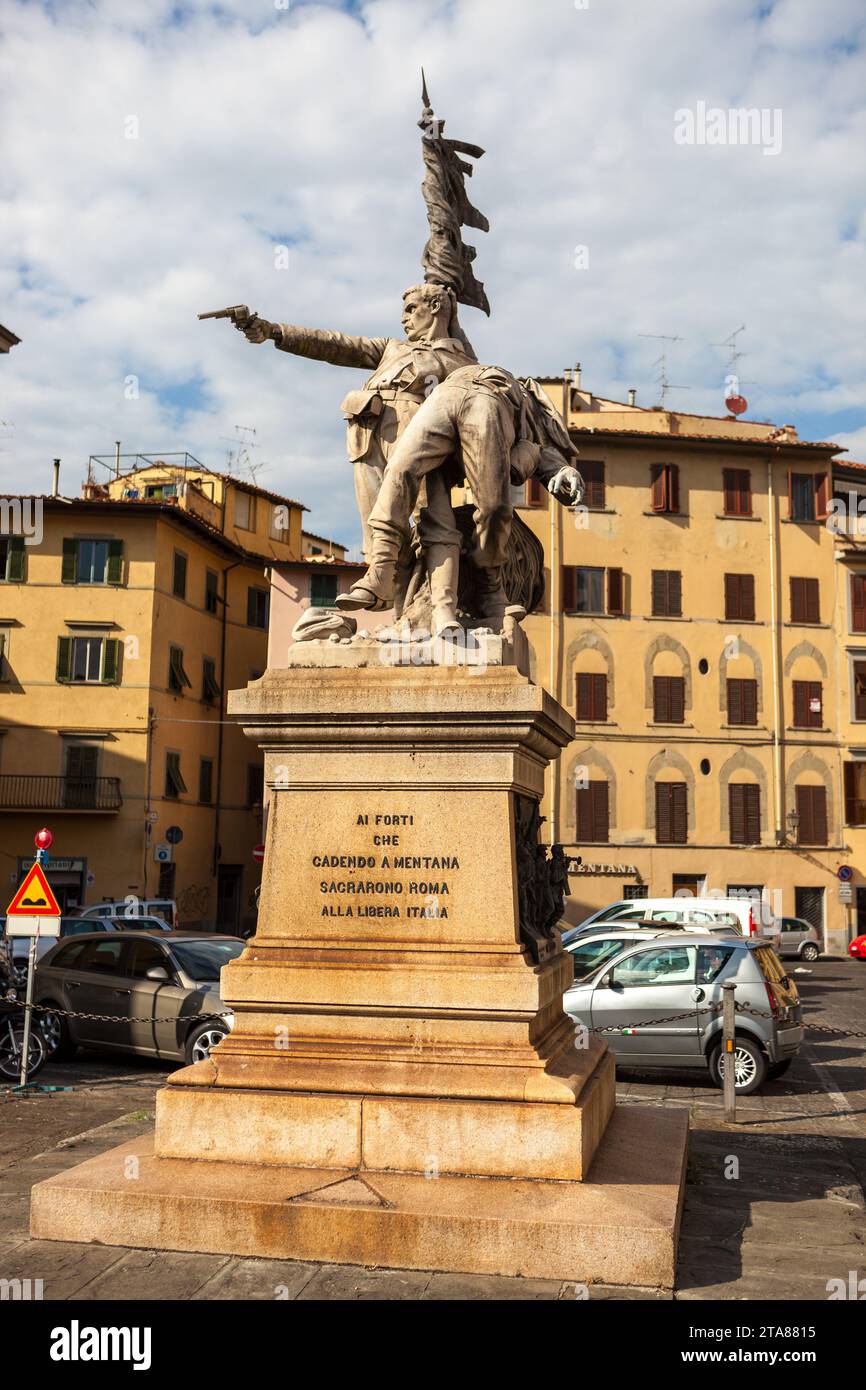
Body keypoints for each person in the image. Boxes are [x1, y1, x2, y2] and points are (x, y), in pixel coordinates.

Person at [237, 284, 476, 573]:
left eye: (411, 309)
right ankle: (397, 609)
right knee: (377, 531)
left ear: (436, 307)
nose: (404, 318)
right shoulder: (392, 348)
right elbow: (336, 345)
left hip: (419, 438)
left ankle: (439, 600)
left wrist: (455, 324)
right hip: (367, 437)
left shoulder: (459, 360)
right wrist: (275, 331)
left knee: (430, 523)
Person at [336, 364, 584, 633]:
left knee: (493, 508)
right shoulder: (528, 405)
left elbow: (542, 450)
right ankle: (381, 570)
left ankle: (488, 582)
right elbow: (545, 445)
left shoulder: (527, 428)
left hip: (484, 400)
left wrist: (562, 469)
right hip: (449, 394)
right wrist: (560, 467)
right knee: (399, 469)